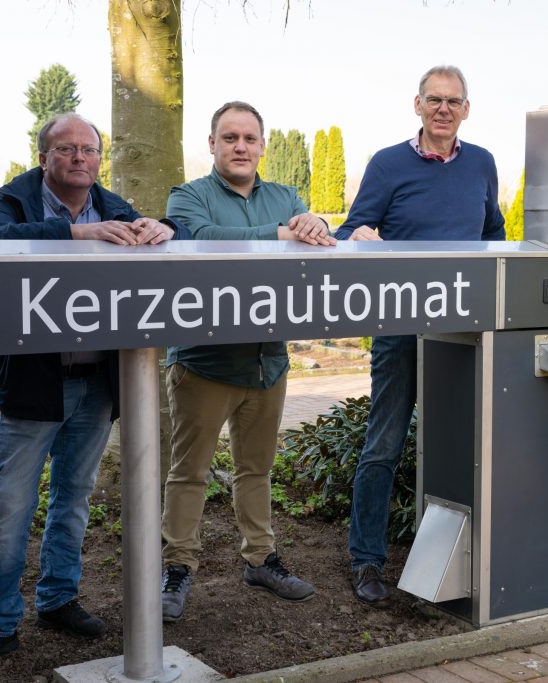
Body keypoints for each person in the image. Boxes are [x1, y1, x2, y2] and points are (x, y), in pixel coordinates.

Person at [0, 113, 184, 672]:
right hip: (34, 389)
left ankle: (58, 600)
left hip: (96, 388)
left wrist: (163, 230)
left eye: (89, 149)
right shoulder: (12, 200)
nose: (80, 158)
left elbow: (151, 229)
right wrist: (77, 234)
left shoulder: (111, 204)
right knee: (12, 507)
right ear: (44, 157)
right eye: (67, 149)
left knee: (73, 500)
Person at [335, 65, 506, 605]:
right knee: (384, 444)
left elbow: (493, 235)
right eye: (434, 100)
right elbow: (350, 229)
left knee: (473, 445)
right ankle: (366, 561)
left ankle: (473, 557)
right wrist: (358, 234)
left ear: (466, 109)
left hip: (466, 334)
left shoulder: (482, 164)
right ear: (417, 105)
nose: (444, 109)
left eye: (454, 101)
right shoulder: (388, 163)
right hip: (401, 329)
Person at [159, 101, 334, 621]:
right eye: (229, 137)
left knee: (255, 469)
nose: (240, 147)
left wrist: (318, 221)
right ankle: (178, 568)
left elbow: (312, 240)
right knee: (188, 472)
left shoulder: (284, 196)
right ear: (211, 144)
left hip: (268, 361)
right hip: (204, 363)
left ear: (262, 145)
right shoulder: (188, 196)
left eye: (249, 138)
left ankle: (260, 559)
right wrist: (283, 233)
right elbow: (202, 240)